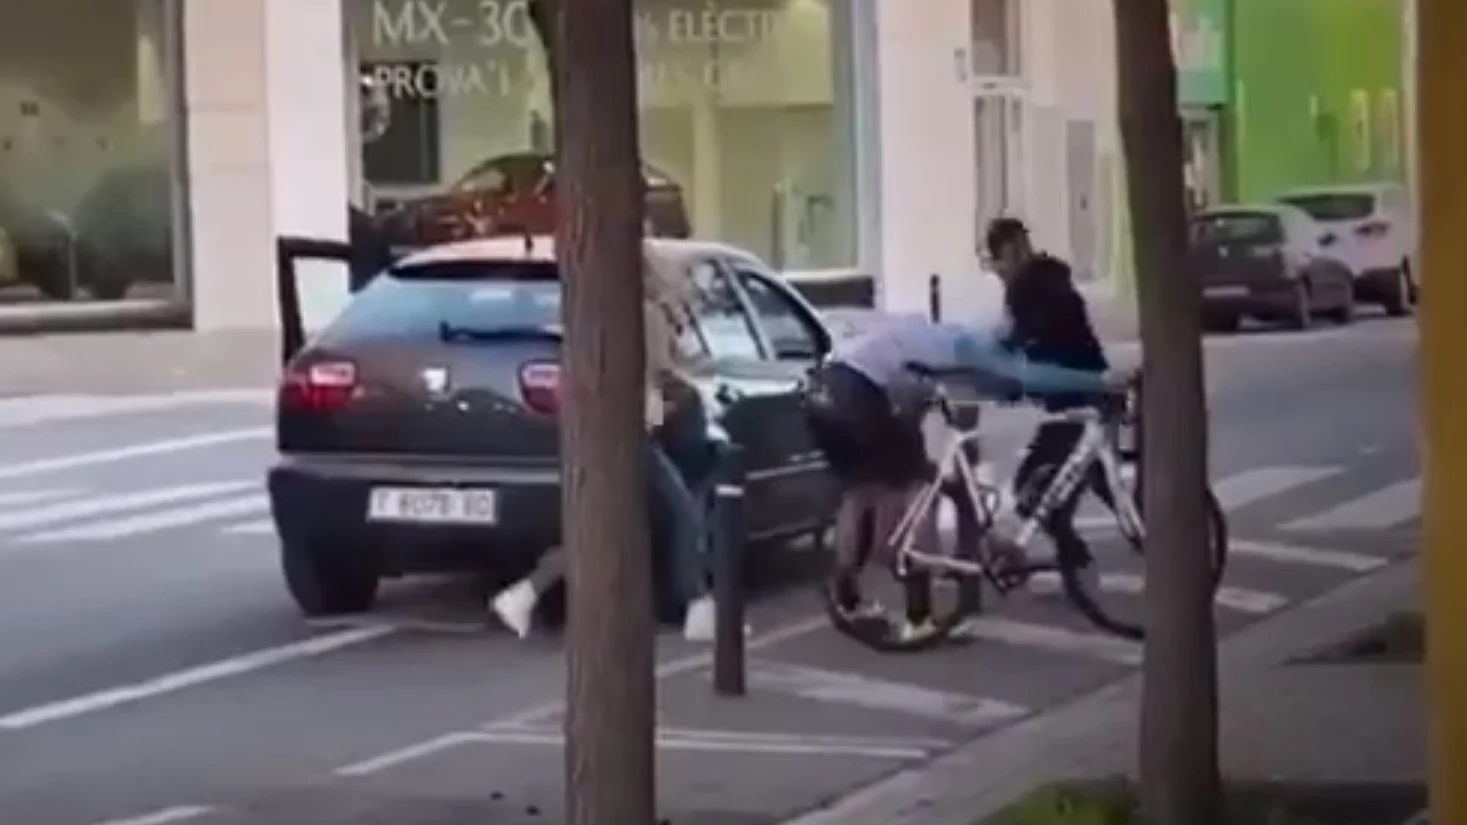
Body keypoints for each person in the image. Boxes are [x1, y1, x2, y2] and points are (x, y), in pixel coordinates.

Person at [805, 310, 1132, 639]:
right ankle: (919, 616)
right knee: (915, 490)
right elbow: (1027, 376)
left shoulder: (930, 335)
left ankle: (847, 600)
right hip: (860, 395)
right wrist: (1098, 381)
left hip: (824, 390)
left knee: (860, 492)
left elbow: (941, 389)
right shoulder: (970, 345)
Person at [490, 255, 729, 642]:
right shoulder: (648, 313)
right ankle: (699, 608)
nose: (682, 283)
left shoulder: (602, 312)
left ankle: (525, 594)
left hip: (599, 428)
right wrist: (692, 383)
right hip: (633, 431)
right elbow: (661, 371)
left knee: (598, 526)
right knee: (684, 513)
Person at [984, 216, 1120, 596]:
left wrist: (1000, 368)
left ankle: (1081, 564)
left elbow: (1025, 336)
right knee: (1071, 484)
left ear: (1009, 254)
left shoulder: (1031, 286)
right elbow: (1033, 337)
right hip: (1081, 396)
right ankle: (1081, 565)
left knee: (1039, 486)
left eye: (1001, 260)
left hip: (1078, 401)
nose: (999, 270)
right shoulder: (1047, 279)